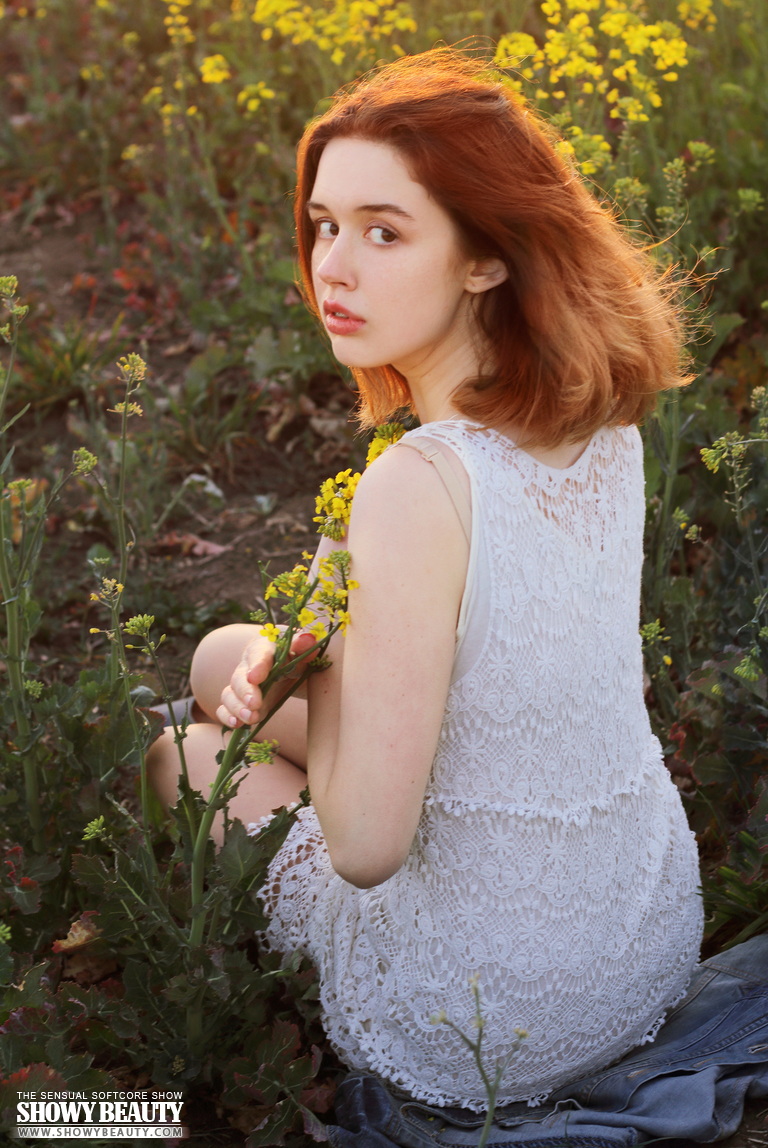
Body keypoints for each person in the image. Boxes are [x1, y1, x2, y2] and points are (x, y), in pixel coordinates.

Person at [147, 49, 703, 1111]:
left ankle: (201, 758)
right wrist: (307, 646)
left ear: (485, 256)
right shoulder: (603, 420)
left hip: (487, 1012)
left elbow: (365, 848)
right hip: (644, 932)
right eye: (324, 224)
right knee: (225, 656)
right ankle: (239, 683)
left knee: (184, 754)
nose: (333, 267)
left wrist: (327, 626)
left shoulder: (418, 483)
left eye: (384, 232)